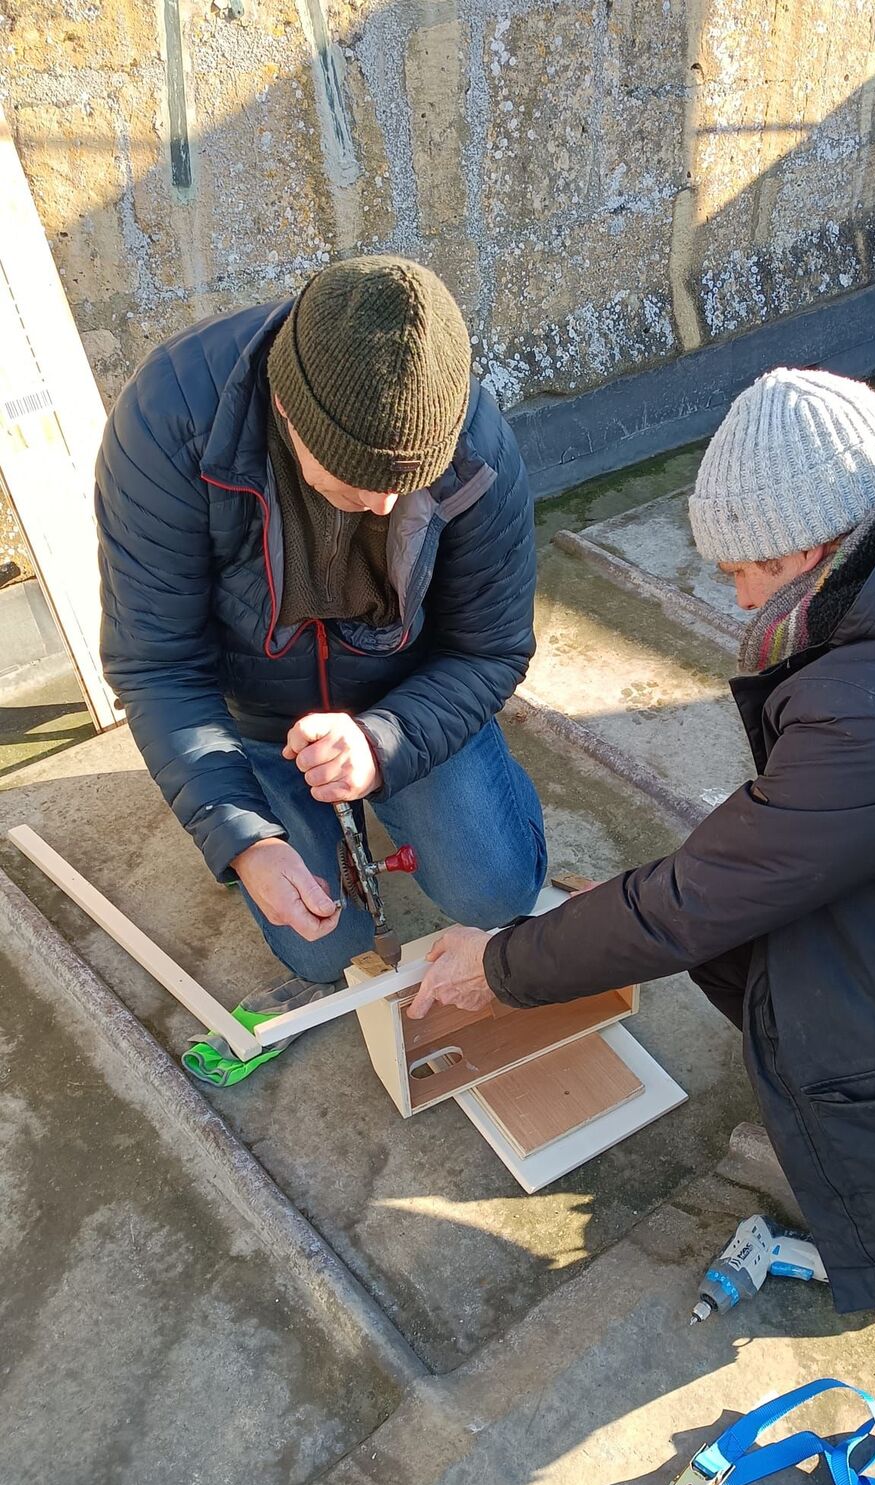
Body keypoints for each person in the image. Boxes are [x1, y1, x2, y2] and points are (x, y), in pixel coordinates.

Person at [411, 368, 875, 1311]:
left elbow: (700, 903)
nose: (736, 597)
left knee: (784, 970)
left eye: (743, 569)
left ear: (810, 548)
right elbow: (780, 840)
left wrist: (501, 966)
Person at [96, 255, 547, 984]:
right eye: (357, 482)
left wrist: (384, 741)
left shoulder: (475, 443)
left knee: (498, 894)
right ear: (287, 411)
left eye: (410, 482)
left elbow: (490, 649)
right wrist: (245, 839)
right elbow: (158, 664)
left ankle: (457, 784)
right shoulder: (167, 423)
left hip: (404, 695)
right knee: (326, 951)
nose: (386, 507)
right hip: (258, 721)